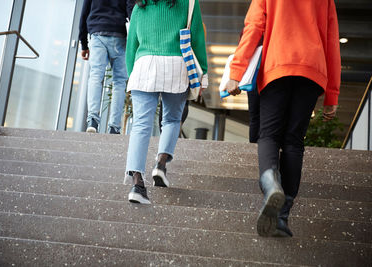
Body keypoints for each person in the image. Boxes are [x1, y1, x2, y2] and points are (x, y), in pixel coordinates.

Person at [223, 0, 341, 237]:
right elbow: (331, 39)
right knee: (294, 142)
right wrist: (332, 93)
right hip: (311, 69)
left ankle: (270, 184)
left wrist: (237, 71)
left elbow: (254, 25)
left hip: (277, 65)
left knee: (269, 134)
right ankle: (282, 216)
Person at [123, 0, 207, 204]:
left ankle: (137, 184)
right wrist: (202, 73)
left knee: (141, 125)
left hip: (144, 66)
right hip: (176, 66)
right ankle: (160, 164)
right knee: (171, 119)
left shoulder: (139, 7)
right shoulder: (188, 4)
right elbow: (197, 40)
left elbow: (131, 46)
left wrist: (131, 75)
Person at [79, 0, 135, 133]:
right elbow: (131, 10)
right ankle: (114, 127)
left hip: (98, 33)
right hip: (119, 34)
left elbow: (84, 14)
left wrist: (84, 44)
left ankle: (92, 120)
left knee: (96, 76)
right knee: (120, 82)